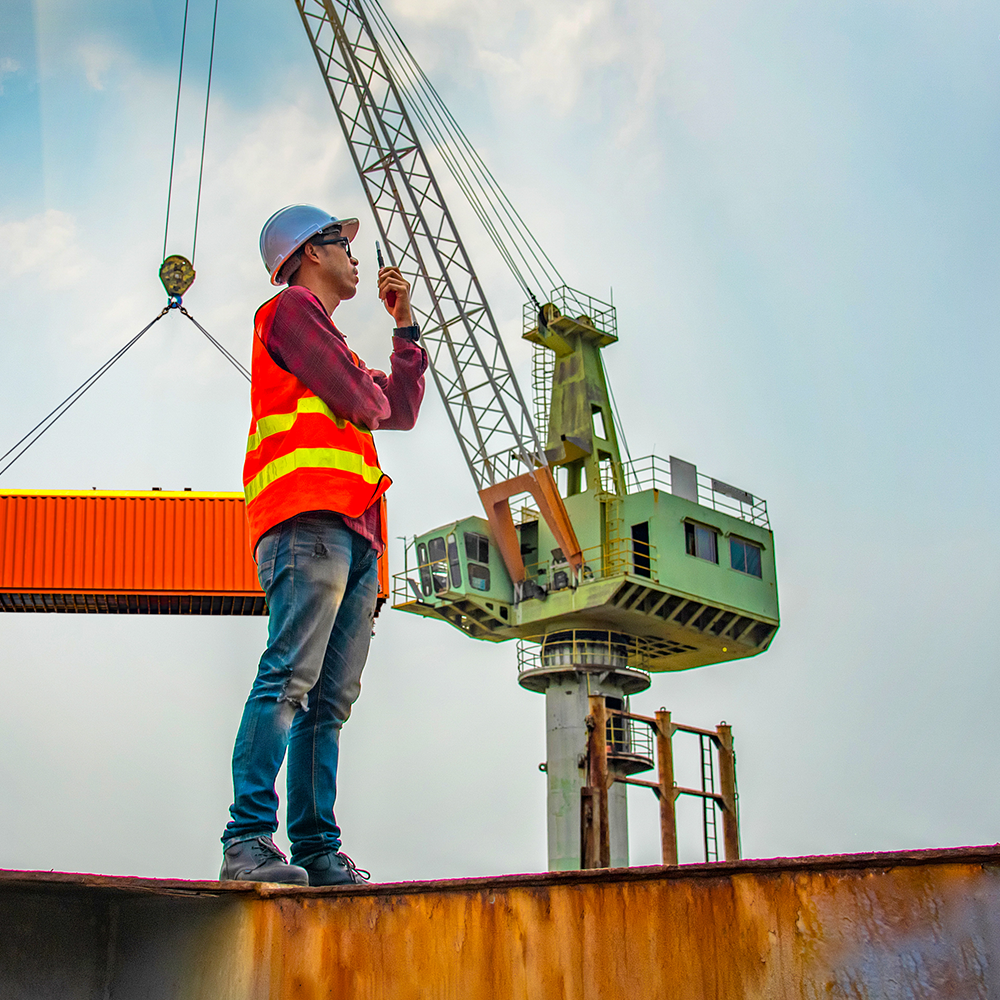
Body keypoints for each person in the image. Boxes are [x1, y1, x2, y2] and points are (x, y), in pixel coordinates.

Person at [220, 205, 427, 886]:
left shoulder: (328, 341)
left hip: (355, 532)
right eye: (344, 244)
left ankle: (315, 849)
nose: (355, 256)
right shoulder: (289, 316)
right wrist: (371, 387)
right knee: (289, 680)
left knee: (329, 700)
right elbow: (370, 405)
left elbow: (398, 406)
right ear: (312, 252)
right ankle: (247, 840)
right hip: (308, 521)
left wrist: (403, 324)